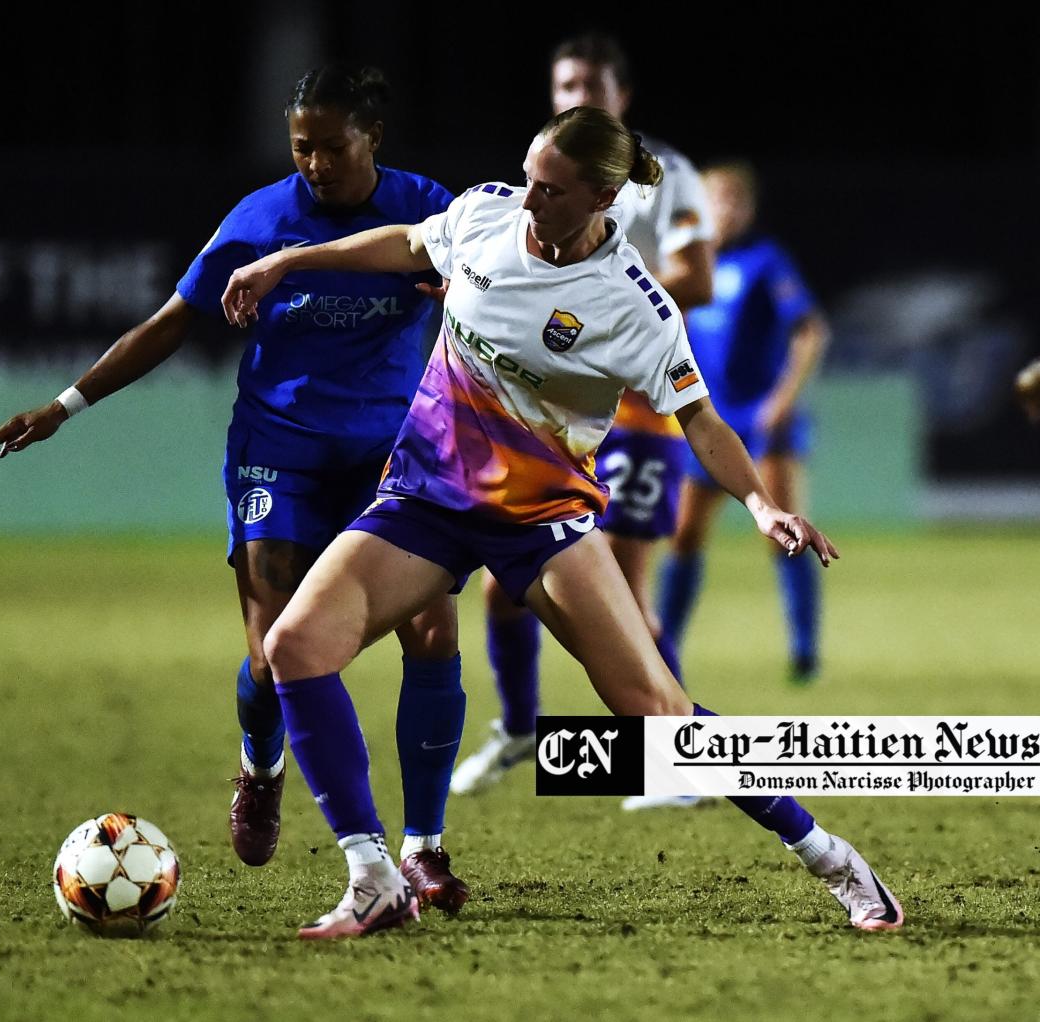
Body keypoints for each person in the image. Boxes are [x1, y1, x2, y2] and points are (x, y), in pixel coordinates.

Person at [220, 106, 902, 939]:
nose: (528, 198)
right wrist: (289, 260)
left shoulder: (632, 307)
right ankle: (373, 876)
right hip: (425, 502)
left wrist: (760, 503)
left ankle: (831, 856)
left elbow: (702, 422)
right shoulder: (485, 215)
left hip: (540, 523)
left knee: (656, 713)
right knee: (295, 647)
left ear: (603, 197)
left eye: (549, 189)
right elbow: (405, 244)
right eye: (529, 176)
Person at [0, 65, 470, 913]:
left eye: (332, 147)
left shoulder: (430, 212)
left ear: (373, 139)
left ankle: (424, 850)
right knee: (274, 654)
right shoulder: (260, 221)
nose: (314, 163)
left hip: (392, 457)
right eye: (301, 146)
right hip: (281, 455)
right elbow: (172, 320)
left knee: (431, 625)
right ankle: (262, 766)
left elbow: (487, 300)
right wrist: (65, 404)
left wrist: (464, 303)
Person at [450, 32, 716, 796]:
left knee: (625, 596)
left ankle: (671, 760)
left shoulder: (666, 178)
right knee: (505, 586)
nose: (577, 98)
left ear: (622, 97)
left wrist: (601, 294)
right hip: (546, 418)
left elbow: (695, 276)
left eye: (592, 87)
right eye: (566, 84)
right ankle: (520, 728)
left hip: (631, 412)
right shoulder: (548, 170)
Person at [657, 161, 830, 689]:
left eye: (734, 199)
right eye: (716, 198)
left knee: (785, 531)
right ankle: (665, 645)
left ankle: (804, 652)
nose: (724, 209)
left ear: (748, 207)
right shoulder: (688, 263)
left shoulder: (765, 261)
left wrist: (782, 399)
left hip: (760, 421)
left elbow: (810, 330)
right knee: (684, 534)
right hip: (707, 420)